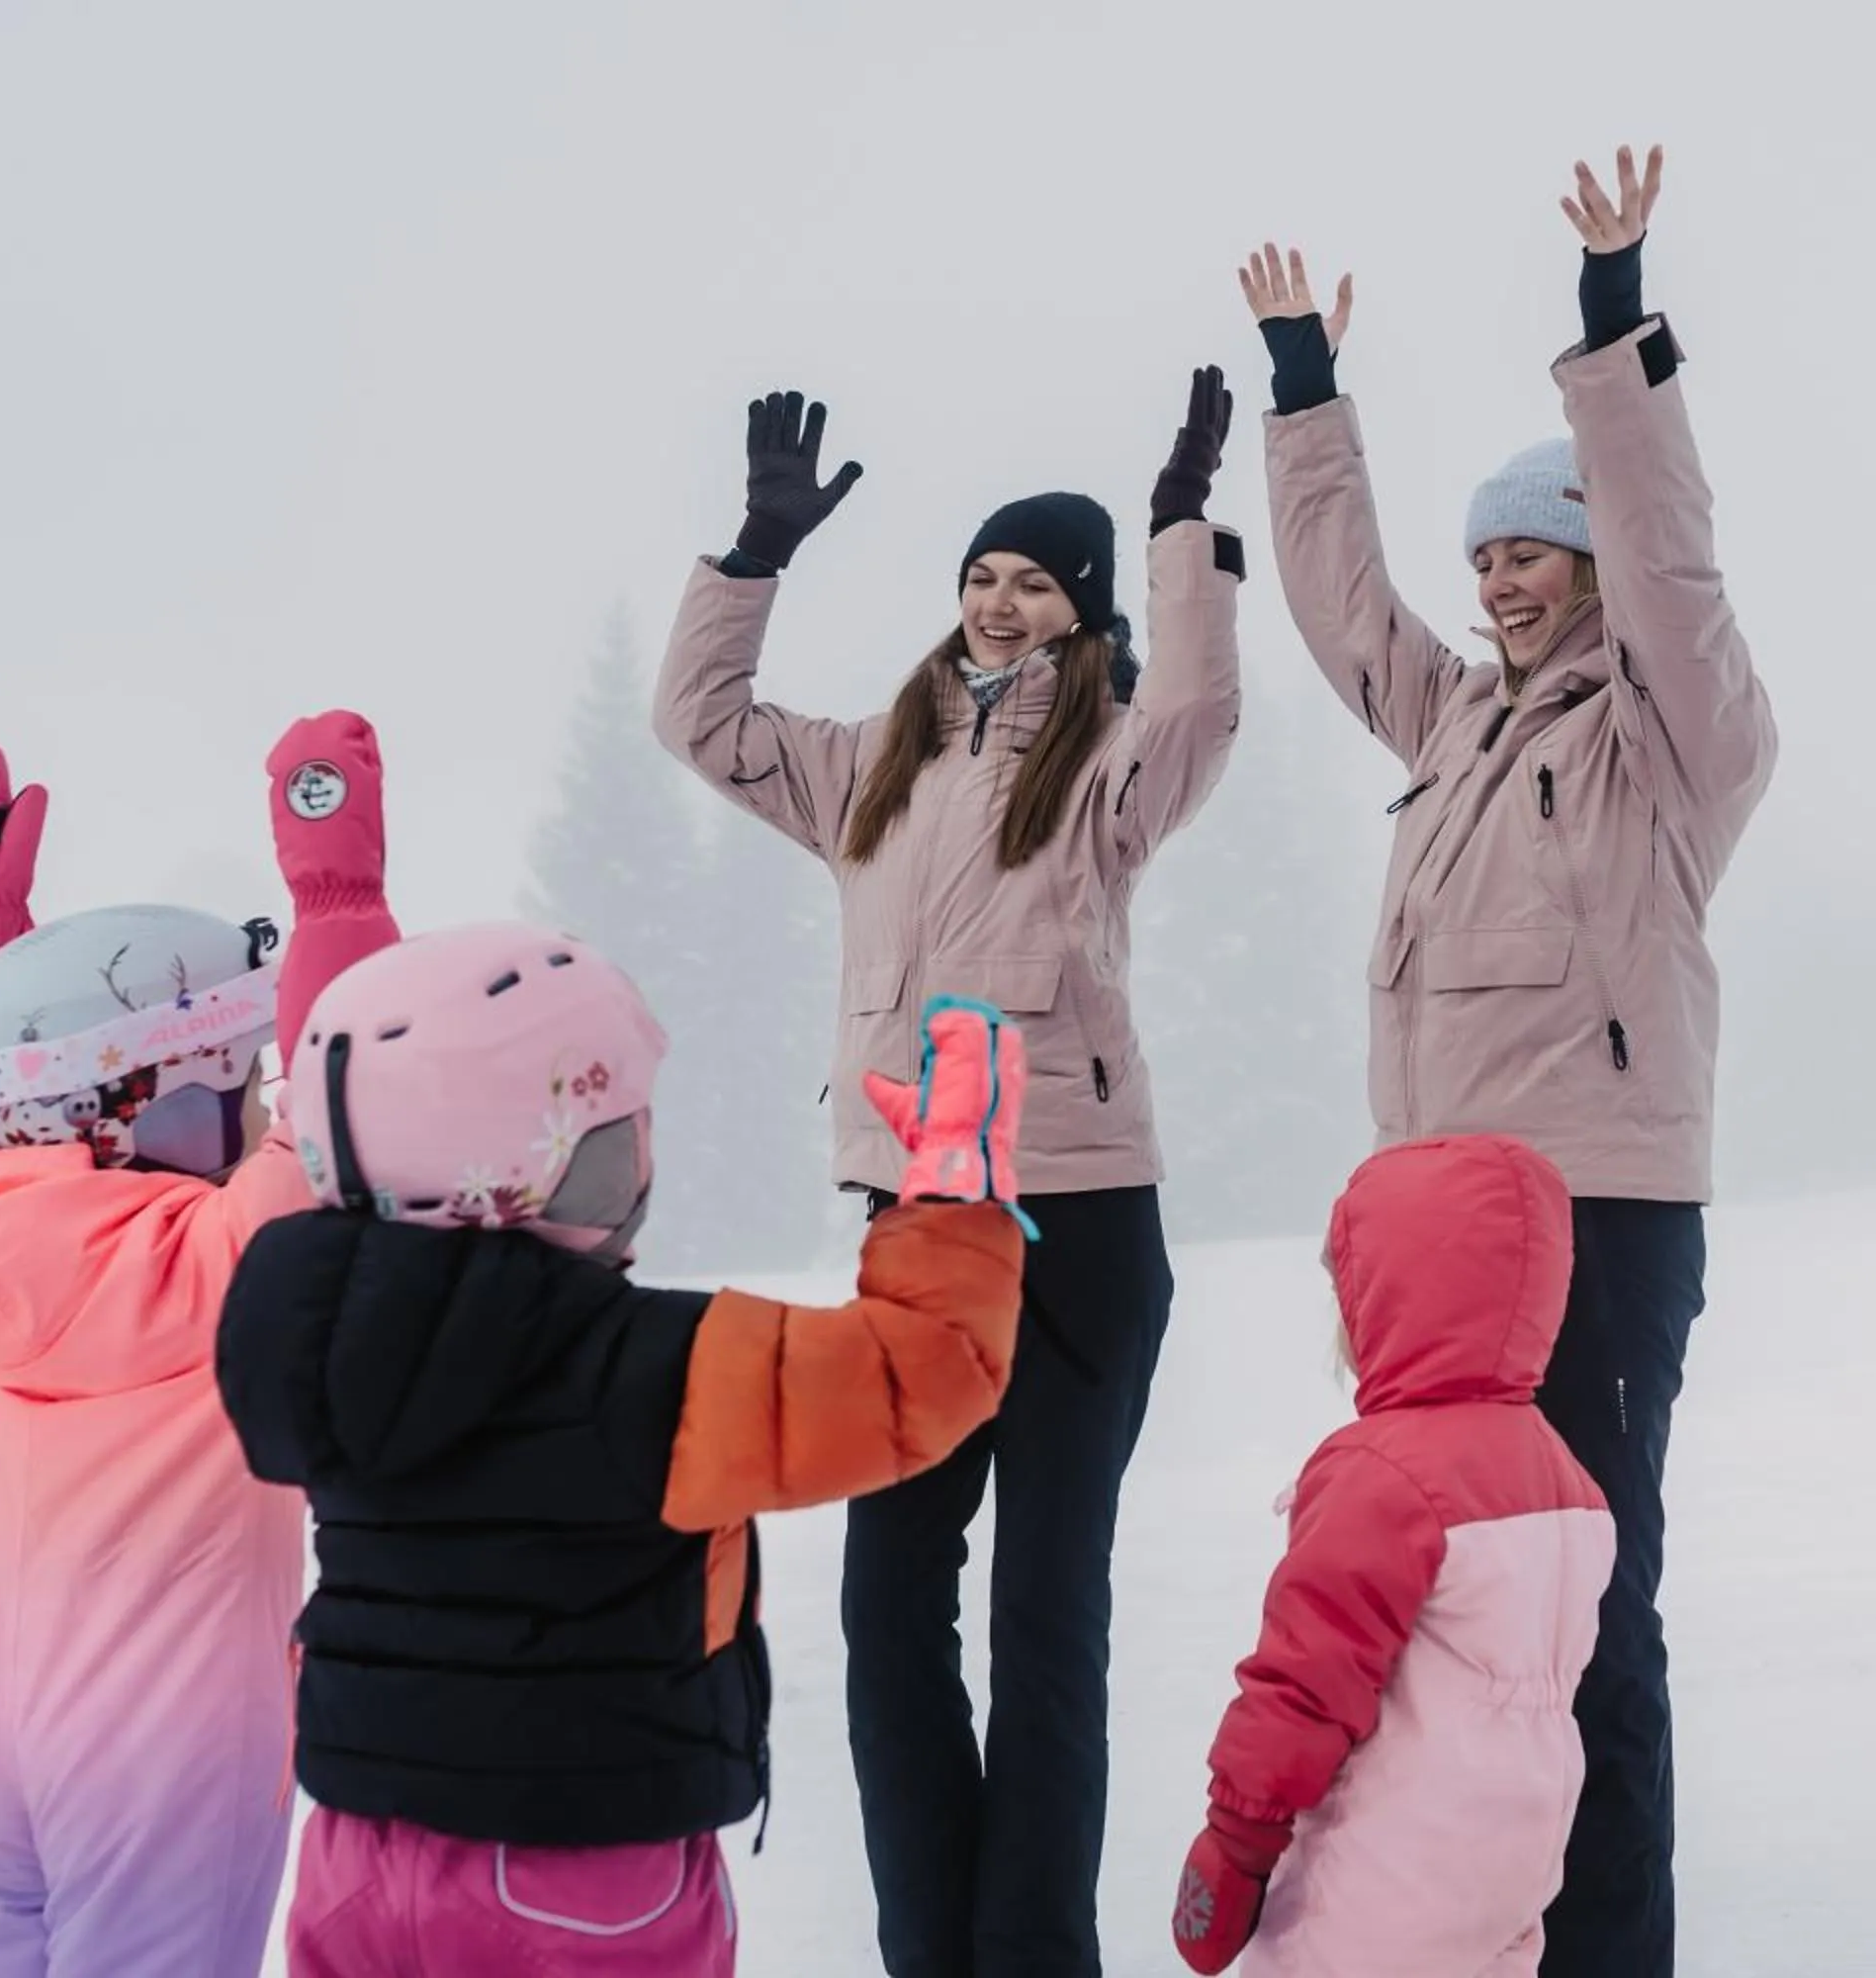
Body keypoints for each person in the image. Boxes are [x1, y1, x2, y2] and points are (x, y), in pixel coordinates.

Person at [1237, 145, 1777, 1976]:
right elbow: (1338, 613)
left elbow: (1675, 553)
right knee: (1449, 1617)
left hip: (1600, 1218)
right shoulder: (1455, 722)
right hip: (1436, 1245)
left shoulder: (1677, 733)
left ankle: (1611, 1951)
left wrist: (1614, 330)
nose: (1498, 587)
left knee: (1591, 1619)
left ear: (1590, 553)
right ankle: (1483, 1928)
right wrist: (1308, 396)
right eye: (1485, 561)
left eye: (1530, 550)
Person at [655, 367, 1245, 1973]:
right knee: (888, 1603)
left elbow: (1202, 711)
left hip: (1080, 1221)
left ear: (1081, 611)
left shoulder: (1114, 761)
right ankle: (934, 1940)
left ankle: (1034, 1948)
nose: (997, 605)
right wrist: (754, 555)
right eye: (981, 577)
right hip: (917, 1225)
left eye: (1033, 583)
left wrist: (1183, 527)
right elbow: (699, 723)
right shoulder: (874, 764)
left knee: (1049, 1615)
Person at [217, 931, 1034, 1976]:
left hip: (357, 1855)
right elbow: (922, 1371)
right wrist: (956, 1185)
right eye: (623, 1129)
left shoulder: (322, 1343)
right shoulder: (652, 1365)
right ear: (564, 1161)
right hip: (579, 1864)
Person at [0, 715, 402, 1977]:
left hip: (9, 1734)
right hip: (168, 1737)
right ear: (159, 1101)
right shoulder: (212, 1262)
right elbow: (358, 1094)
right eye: (234, 1079)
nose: (256, 1104)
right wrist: (337, 895)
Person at [1167, 1135, 1612, 1976]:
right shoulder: (1569, 1481)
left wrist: (1237, 1841)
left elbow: (1303, 1686)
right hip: (1513, 1869)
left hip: (1379, 1881)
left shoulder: (1379, 1474)